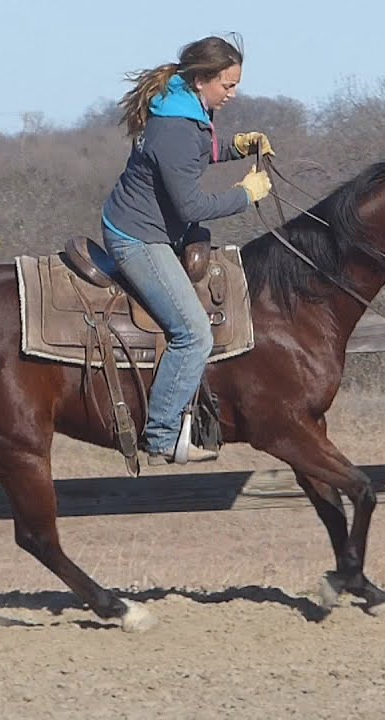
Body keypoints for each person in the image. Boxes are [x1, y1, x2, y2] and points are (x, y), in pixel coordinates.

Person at [98, 33, 273, 466]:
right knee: (193, 333)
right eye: (227, 85)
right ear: (202, 79)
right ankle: (160, 436)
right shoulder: (176, 125)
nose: (233, 93)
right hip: (138, 238)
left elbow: (195, 156)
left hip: (162, 228)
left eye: (235, 85)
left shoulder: (187, 107)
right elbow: (192, 204)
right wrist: (245, 194)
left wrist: (237, 147)